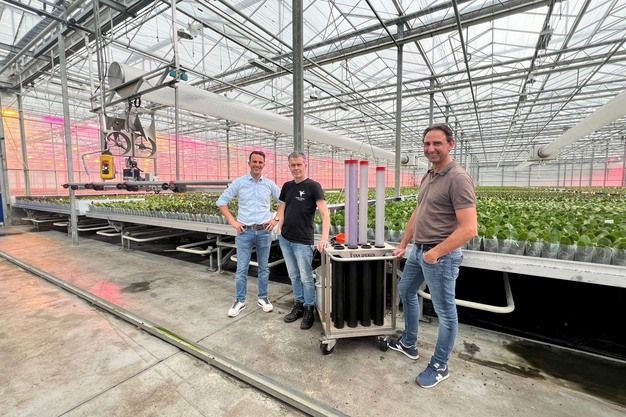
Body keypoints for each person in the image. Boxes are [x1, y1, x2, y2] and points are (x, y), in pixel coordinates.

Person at [389, 123, 477, 388]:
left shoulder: (458, 178)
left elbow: (469, 228)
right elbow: (418, 212)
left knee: (445, 312)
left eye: (437, 143)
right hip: (419, 250)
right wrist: (405, 243)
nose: (431, 148)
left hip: (440, 256)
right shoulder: (429, 175)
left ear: (451, 144)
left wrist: (435, 254)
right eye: (427, 144)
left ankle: (440, 365)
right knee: (406, 290)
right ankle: (408, 342)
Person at [216, 150, 283, 317]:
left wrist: (275, 219)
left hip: (264, 231)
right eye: (254, 161)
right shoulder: (239, 183)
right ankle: (240, 300)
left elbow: (283, 201)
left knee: (264, 267)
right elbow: (222, 201)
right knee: (242, 268)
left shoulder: (269, 184)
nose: (257, 165)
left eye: (260, 162)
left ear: (264, 165)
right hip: (244, 231)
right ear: (249, 163)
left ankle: (263, 298)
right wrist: (233, 222)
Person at [276, 152, 331, 330]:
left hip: (302, 241)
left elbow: (325, 214)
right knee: (293, 275)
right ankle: (298, 304)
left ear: (305, 165)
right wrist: (279, 227)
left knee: (306, 277)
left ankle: (309, 309)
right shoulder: (287, 186)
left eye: (299, 164)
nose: (296, 168)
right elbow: (282, 208)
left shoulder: (313, 186)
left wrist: (324, 238)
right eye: (293, 165)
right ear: (289, 166)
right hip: (285, 239)